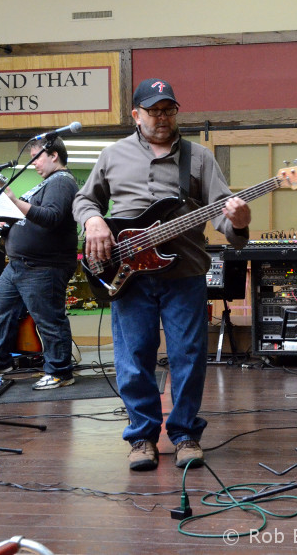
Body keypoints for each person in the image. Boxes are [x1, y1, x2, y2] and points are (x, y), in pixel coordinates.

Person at [73, 78, 251, 472]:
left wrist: (238, 220)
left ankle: (185, 433)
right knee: (133, 357)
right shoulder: (112, 155)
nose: (161, 118)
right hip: (128, 273)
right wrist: (93, 222)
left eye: (168, 110)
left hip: (184, 272)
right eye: (153, 111)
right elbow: (85, 199)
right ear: (135, 115)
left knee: (188, 356)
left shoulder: (198, 157)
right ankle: (141, 438)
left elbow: (223, 215)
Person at [0, 137, 80, 390]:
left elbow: (51, 217)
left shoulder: (62, 182)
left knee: (49, 319)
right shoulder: (45, 184)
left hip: (44, 265)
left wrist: (13, 201)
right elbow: (28, 217)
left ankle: (61, 371)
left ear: (53, 155)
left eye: (36, 157)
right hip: (19, 264)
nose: (34, 164)